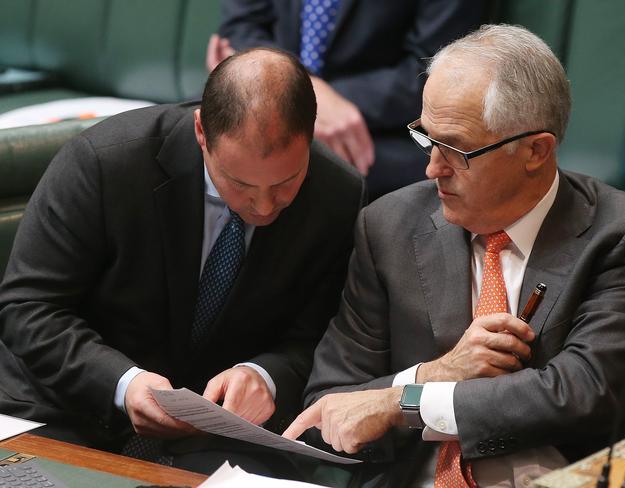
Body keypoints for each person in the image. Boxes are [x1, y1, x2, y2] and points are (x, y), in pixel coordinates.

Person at [283, 25, 625, 487]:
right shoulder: (388, 226)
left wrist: (407, 402)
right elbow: (327, 408)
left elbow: (583, 391)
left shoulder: (623, 235)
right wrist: (435, 374)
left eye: (456, 149)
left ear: (535, 150)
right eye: (426, 137)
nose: (432, 167)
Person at [0, 47, 365, 475]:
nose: (265, 206)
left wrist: (266, 375)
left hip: (221, 432)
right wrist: (124, 383)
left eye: (287, 181)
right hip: (68, 405)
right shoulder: (105, 163)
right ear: (201, 133)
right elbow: (28, 308)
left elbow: (325, 337)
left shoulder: (336, 194)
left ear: (310, 136)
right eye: (240, 183)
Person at [209, 0, 486, 200]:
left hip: (382, 128)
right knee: (191, 137)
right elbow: (238, 32)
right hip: (267, 101)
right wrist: (305, 91)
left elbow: (437, 69)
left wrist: (318, 99)